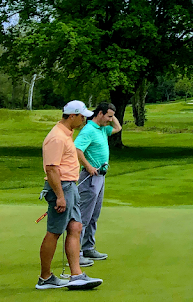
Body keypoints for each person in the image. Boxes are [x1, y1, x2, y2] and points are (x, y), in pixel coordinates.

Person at [37, 101, 104, 290]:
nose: (84, 119)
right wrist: (60, 196)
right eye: (82, 116)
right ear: (72, 116)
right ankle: (45, 278)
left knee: (75, 227)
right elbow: (51, 169)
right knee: (55, 231)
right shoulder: (57, 137)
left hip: (70, 187)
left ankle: (77, 275)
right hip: (61, 187)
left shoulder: (66, 134)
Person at [74, 102, 121, 265]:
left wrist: (112, 115)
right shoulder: (88, 130)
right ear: (99, 114)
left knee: (94, 215)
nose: (111, 120)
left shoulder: (102, 129)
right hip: (90, 177)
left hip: (101, 177)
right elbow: (77, 149)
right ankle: (76, 253)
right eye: (108, 116)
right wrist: (88, 166)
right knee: (83, 216)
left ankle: (88, 248)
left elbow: (118, 128)